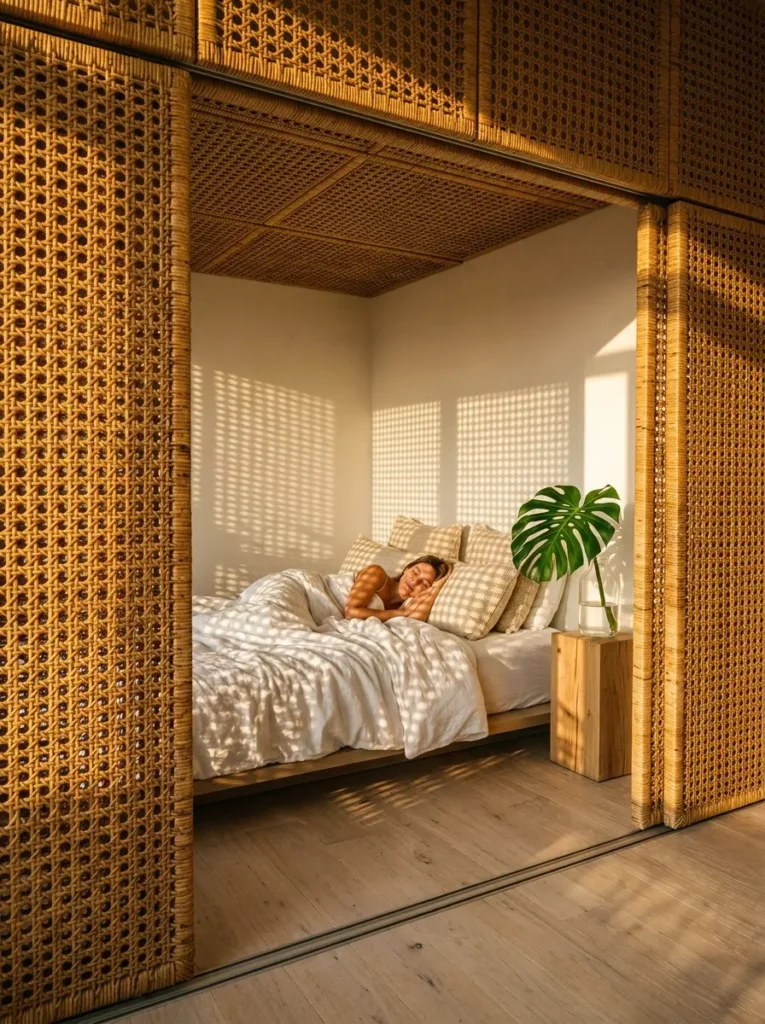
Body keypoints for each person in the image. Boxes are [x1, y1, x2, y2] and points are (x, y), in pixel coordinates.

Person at [344, 555, 451, 622]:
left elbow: (416, 619)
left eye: (424, 584)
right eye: (415, 572)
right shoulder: (376, 573)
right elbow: (351, 613)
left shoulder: (406, 606)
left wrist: (438, 586)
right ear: (406, 569)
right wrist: (403, 613)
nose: (415, 582)